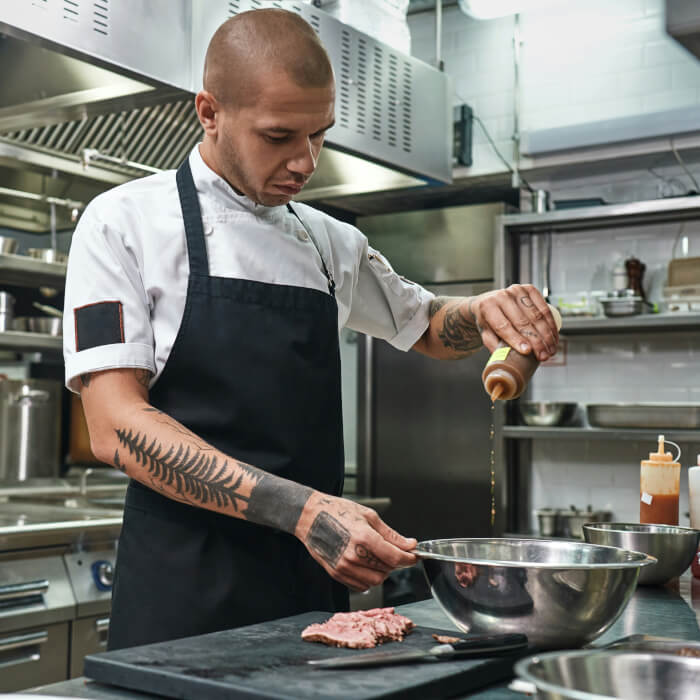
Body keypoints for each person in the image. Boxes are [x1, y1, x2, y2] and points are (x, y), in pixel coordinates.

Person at [63, 8, 558, 651]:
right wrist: (302, 510)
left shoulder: (330, 242)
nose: (305, 162)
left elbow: (430, 325)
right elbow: (115, 424)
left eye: (319, 135)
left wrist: (486, 311)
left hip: (311, 594)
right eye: (278, 136)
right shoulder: (122, 224)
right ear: (208, 112)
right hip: (181, 595)